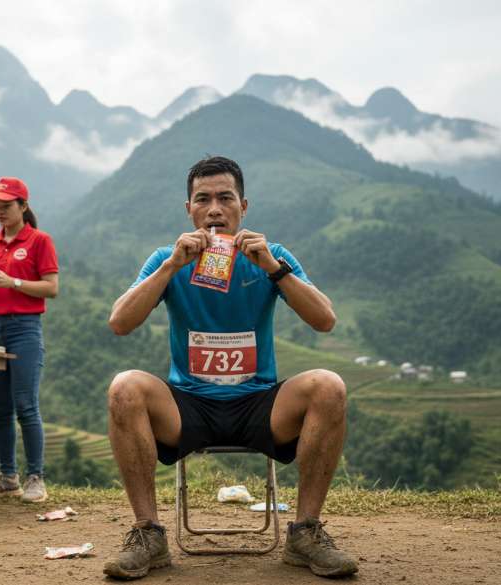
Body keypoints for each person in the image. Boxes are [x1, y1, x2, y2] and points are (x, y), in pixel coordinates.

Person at [103, 156, 358, 579]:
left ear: (244, 205)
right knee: (124, 386)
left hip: (259, 401)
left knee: (329, 385)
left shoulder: (271, 257)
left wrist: (274, 271)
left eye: (225, 198)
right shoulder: (168, 260)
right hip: (188, 405)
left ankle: (306, 533)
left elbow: (325, 320)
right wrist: (171, 266)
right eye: (203, 199)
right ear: (189, 209)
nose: (215, 209)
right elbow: (120, 322)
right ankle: (148, 534)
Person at [0, 177, 59, 503]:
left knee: (26, 404)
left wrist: (12, 281)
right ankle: (7, 476)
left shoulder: (39, 241)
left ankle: (35, 477)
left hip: (24, 327)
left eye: (6, 205)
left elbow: (51, 287)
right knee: (0, 409)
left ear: (23, 206)